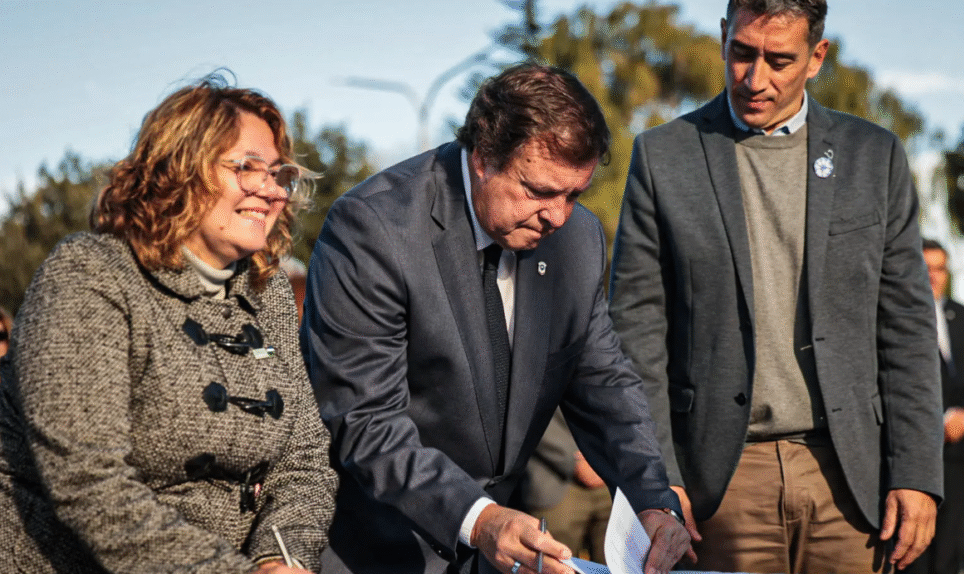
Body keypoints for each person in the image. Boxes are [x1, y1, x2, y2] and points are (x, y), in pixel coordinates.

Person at [301, 63, 689, 574]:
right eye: (539, 191)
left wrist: (653, 500)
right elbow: (366, 420)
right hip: (379, 547)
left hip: (495, 555)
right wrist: (479, 519)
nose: (558, 216)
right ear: (483, 157)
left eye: (574, 195)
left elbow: (604, 382)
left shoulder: (577, 240)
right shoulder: (375, 229)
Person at [607, 0, 944, 572]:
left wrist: (916, 473)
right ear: (723, 36)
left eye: (779, 60)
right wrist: (656, 479)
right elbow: (637, 335)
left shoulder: (874, 156)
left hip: (852, 481)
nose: (754, 78)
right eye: (742, 52)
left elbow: (906, 325)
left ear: (817, 56)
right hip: (720, 486)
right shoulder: (664, 156)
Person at [0, 74, 337, 573]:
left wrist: (276, 557)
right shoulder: (91, 275)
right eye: (247, 167)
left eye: (277, 173)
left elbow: (303, 460)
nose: (272, 191)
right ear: (179, 170)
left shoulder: (268, 295)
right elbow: (90, 484)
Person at [905, 240, 964, 574]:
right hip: (918, 450)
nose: (933, 276)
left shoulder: (961, 314)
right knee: (916, 547)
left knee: (952, 545)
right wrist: (935, 420)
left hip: (957, 448)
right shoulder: (899, 314)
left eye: (939, 268)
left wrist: (963, 416)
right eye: (925, 267)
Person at [515, 408, 613, 564]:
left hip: (614, 476)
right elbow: (526, 409)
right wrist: (575, 460)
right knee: (555, 563)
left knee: (616, 562)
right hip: (552, 477)